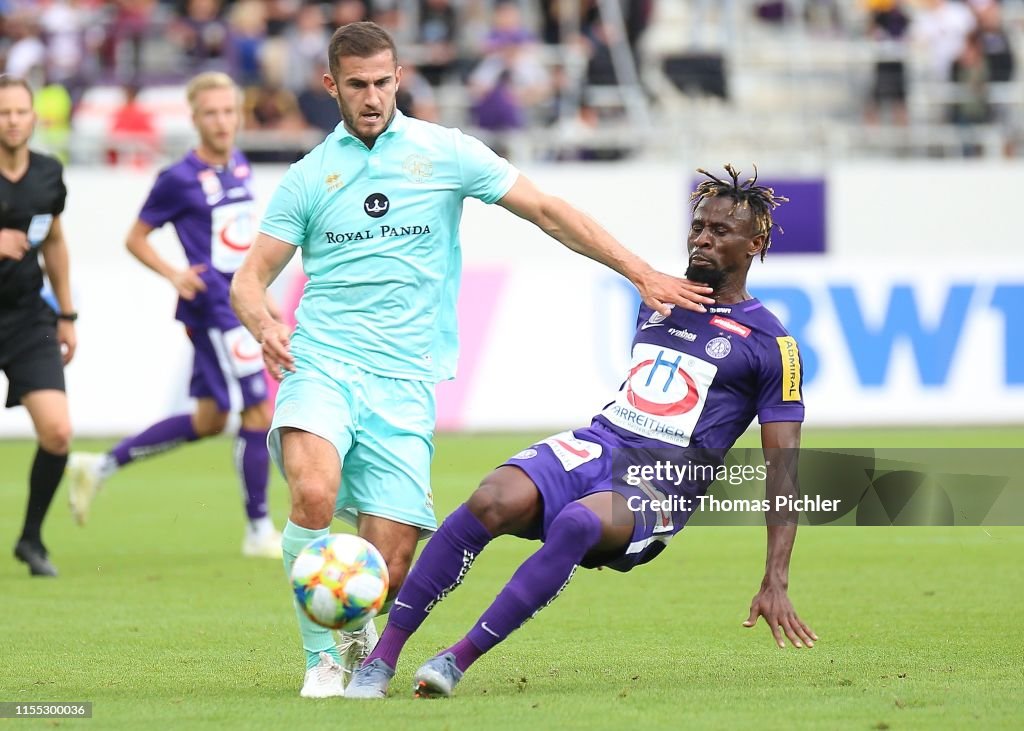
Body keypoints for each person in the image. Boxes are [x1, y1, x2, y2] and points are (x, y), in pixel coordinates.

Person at [228, 21, 714, 699]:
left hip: (404, 382)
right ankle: (322, 658)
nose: (372, 97)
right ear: (330, 85)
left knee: (391, 566)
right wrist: (263, 321)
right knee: (312, 490)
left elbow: (545, 209)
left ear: (398, 79)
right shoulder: (310, 177)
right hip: (324, 362)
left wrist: (639, 271)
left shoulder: (444, 153)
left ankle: (356, 632)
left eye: (383, 82)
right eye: (358, 85)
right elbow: (248, 279)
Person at [345, 164, 819, 699]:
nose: (702, 239)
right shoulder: (658, 296)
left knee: (576, 522)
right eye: (698, 227)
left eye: (720, 232)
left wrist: (775, 578)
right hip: (600, 441)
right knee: (490, 500)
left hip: (660, 481)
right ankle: (380, 660)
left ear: (755, 243)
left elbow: (783, 472)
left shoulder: (772, 345)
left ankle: (457, 659)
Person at [67, 72, 281, 559]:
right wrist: (174, 273)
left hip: (240, 302)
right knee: (257, 410)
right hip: (215, 308)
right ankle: (258, 529)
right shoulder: (179, 177)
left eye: (230, 111)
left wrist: (265, 297)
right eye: (212, 113)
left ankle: (99, 466)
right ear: (195, 118)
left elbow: (242, 247)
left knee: (209, 420)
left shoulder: (241, 166)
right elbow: (135, 237)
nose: (223, 121)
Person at [0, 75, 77, 577]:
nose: (12, 120)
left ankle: (31, 539)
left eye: (20, 111)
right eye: (3, 112)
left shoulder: (49, 172)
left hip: (28, 317)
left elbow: (53, 241)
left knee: (58, 432)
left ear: (34, 116)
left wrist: (67, 314)